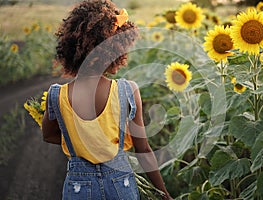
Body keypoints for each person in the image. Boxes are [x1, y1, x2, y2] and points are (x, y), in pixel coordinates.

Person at [41, 0, 172, 199]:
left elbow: (48, 135)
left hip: (79, 186)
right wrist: (163, 192)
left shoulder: (57, 95)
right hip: (121, 184)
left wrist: (84, 143)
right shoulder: (128, 90)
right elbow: (143, 149)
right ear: (114, 50)